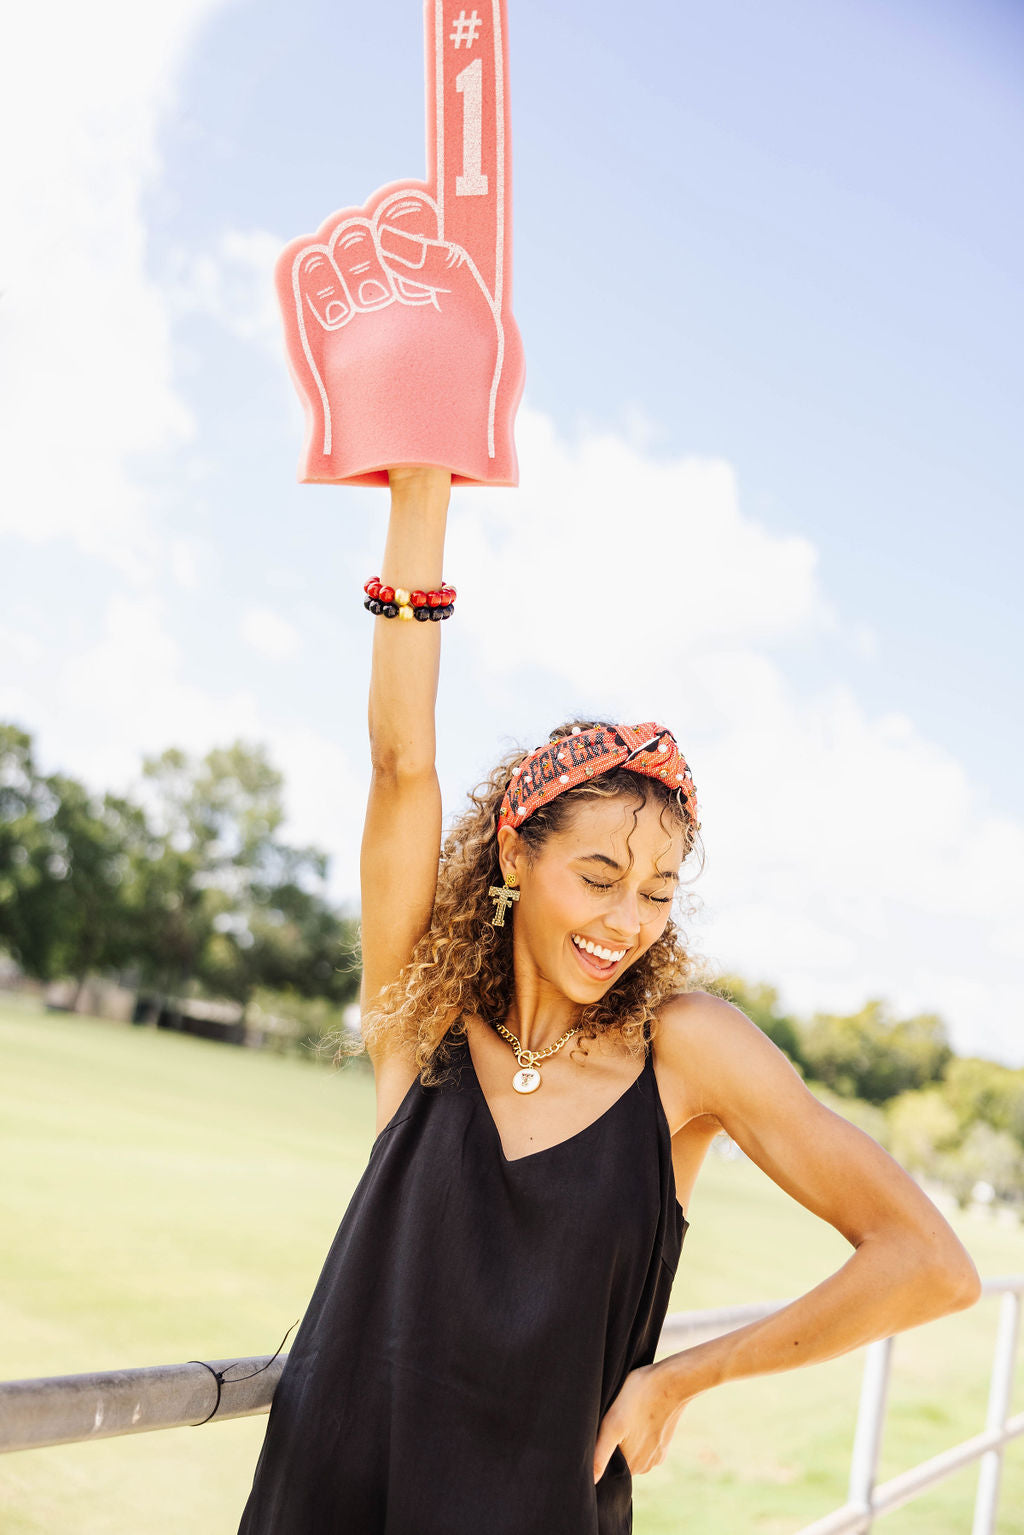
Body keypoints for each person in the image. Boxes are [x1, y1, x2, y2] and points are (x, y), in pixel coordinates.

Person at [236, 465, 981, 1535]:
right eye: (597, 876)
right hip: (331, 1496)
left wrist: (680, 1377)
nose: (627, 920)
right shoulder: (422, 1025)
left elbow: (928, 1263)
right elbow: (401, 765)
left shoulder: (686, 1052)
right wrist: (420, 484)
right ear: (514, 853)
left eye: (657, 891)